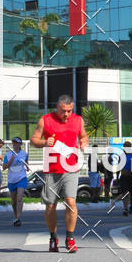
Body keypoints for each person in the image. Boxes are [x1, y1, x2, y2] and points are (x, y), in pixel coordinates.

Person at [30, 94, 88, 253]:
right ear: (57, 107)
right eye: (64, 111)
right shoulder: (45, 120)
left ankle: (70, 238)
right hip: (52, 169)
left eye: (70, 110)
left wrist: (83, 143)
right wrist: (44, 142)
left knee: (71, 201)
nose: (67, 114)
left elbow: (83, 136)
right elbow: (33, 140)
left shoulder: (78, 120)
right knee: (50, 206)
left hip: (71, 168)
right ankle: (53, 237)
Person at [4, 137, 29, 226]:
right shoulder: (8, 154)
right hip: (12, 179)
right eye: (14, 143)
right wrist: (11, 160)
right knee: (14, 201)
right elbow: (4, 167)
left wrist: (27, 167)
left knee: (19, 198)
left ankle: (18, 217)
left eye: (17, 143)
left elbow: (26, 163)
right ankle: (15, 216)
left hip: (21, 178)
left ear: (20, 144)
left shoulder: (24, 154)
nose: (15, 144)